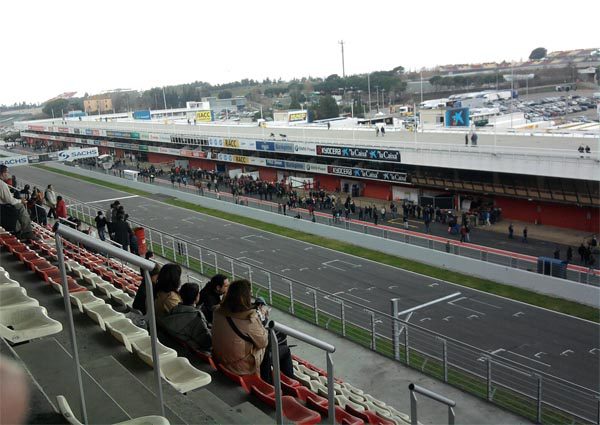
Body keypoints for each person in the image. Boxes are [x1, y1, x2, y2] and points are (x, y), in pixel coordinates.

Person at [212, 279, 268, 376]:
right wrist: (261, 318)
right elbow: (263, 343)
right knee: (274, 348)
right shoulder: (249, 320)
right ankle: (268, 381)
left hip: (219, 359)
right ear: (245, 297)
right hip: (239, 367)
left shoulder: (217, 311)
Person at [159, 282, 212, 352]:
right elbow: (207, 342)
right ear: (197, 297)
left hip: (175, 344)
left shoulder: (174, 310)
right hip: (194, 350)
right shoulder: (196, 316)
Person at [0, 165, 35, 240]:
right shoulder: (2, 185)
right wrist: (20, 201)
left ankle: (21, 230)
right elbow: (10, 200)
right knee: (20, 206)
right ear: (3, 173)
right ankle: (27, 232)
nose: (8, 175)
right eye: (7, 172)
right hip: (4, 208)